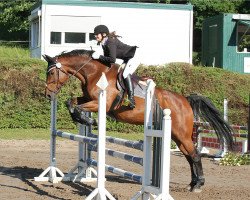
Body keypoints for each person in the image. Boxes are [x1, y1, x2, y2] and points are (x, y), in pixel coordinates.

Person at [92, 24, 139, 109]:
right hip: (127, 58)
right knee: (119, 72)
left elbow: (112, 59)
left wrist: (99, 57)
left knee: (125, 74)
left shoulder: (110, 41)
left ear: (104, 34)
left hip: (135, 56)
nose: (95, 36)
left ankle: (132, 99)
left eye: (97, 34)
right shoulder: (104, 42)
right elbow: (107, 60)